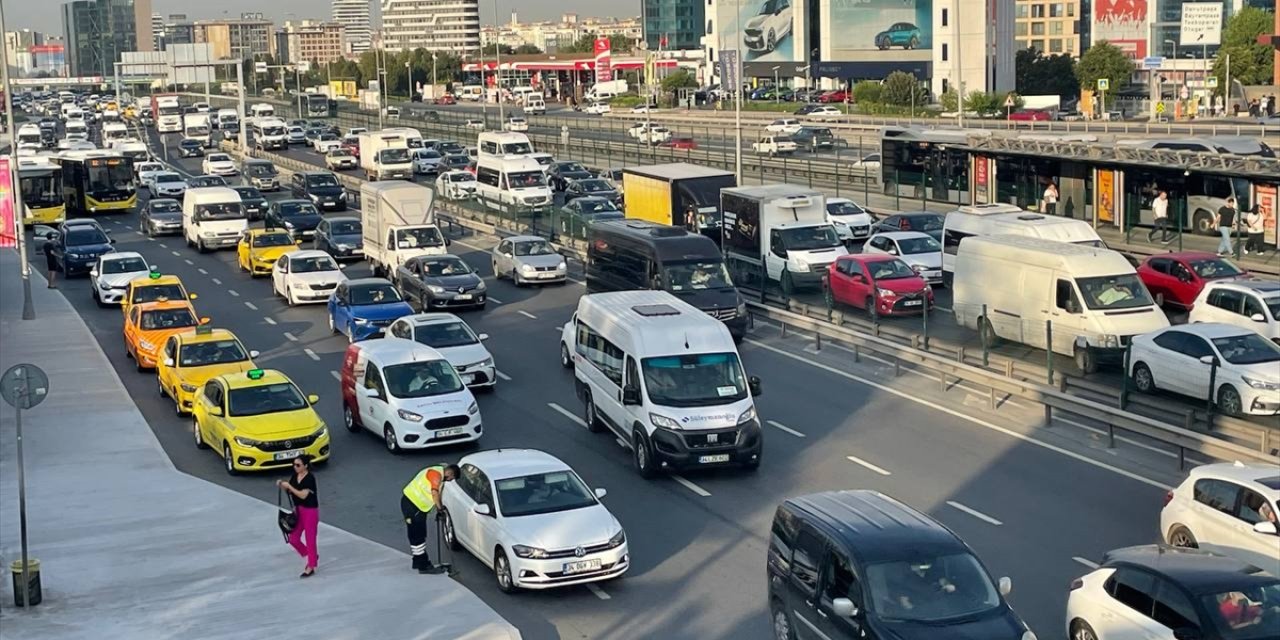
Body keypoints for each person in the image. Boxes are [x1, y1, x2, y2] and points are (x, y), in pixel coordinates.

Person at [401, 463, 460, 574]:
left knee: (417, 534)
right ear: (450, 473)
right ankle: (423, 565)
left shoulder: (436, 471)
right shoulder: (436, 475)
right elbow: (434, 493)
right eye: (452, 478)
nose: (451, 480)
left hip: (413, 505)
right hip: (414, 506)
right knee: (417, 536)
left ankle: (417, 561)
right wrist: (440, 509)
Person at [277, 455, 319, 578]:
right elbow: (291, 491)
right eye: (294, 464)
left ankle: (311, 565)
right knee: (293, 538)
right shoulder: (295, 477)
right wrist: (283, 485)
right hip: (298, 510)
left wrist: (290, 487)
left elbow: (303, 495)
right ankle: (311, 554)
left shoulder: (310, 478)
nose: (295, 467)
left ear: (305, 466)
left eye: (298, 465)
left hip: (310, 511)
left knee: (310, 539)